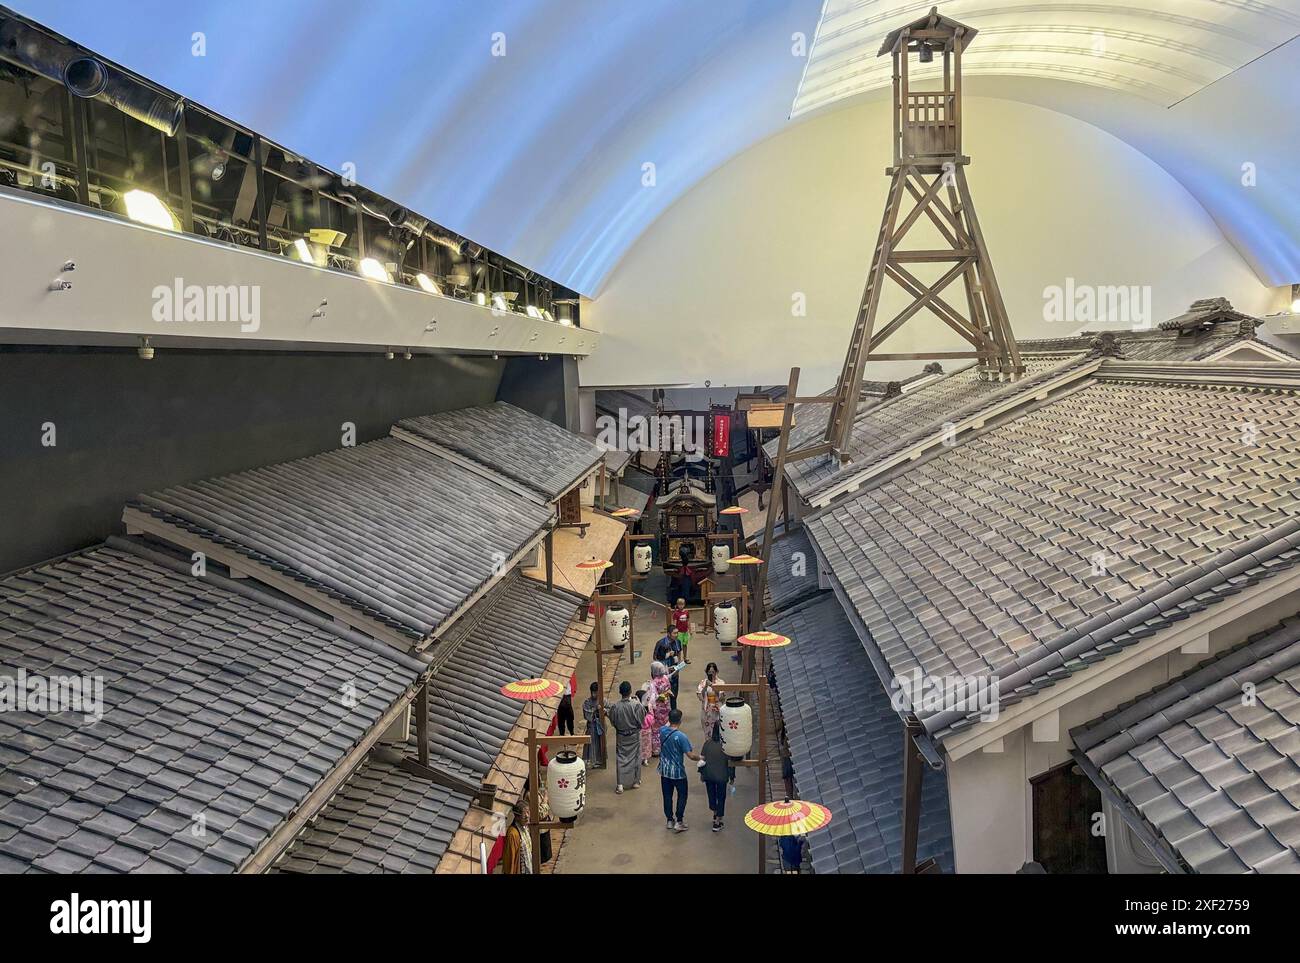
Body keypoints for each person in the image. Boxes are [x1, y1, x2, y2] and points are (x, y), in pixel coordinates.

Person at [658, 708, 699, 832]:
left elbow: (666, 725)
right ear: (680, 721)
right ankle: (679, 820)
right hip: (678, 772)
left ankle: (669, 820)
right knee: (682, 795)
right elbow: (691, 755)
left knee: (667, 795)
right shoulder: (681, 737)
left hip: (664, 771)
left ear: (669, 720)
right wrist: (701, 757)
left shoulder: (662, 731)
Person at [607, 681, 647, 794]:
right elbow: (642, 720)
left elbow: (613, 721)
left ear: (620, 692)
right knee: (636, 757)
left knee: (620, 758)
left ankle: (620, 784)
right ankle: (636, 781)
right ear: (630, 691)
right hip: (634, 736)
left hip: (621, 735)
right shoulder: (636, 705)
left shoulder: (615, 707)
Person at [699, 721, 734, 832]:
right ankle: (718, 821)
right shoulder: (726, 746)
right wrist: (732, 776)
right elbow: (730, 763)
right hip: (721, 776)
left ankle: (715, 813)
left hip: (709, 775)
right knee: (721, 797)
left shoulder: (707, 743)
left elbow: (702, 759)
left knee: (712, 795)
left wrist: (701, 773)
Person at [653, 632, 682, 711]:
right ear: (669, 634)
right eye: (674, 633)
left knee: (674, 695)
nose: (676, 635)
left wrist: (678, 667)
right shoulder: (660, 643)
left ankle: (673, 713)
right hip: (662, 675)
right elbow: (655, 658)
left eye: (677, 633)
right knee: (662, 696)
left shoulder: (678, 642)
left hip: (674, 673)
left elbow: (679, 653)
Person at [696, 662, 725, 736]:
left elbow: (721, 698)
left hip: (717, 710)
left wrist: (714, 687)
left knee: (719, 733)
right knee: (707, 734)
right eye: (709, 672)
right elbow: (700, 697)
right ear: (706, 672)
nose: (711, 674)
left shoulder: (721, 682)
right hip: (706, 711)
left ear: (716, 672)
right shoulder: (703, 683)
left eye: (713, 672)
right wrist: (706, 687)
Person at [649, 661, 672, 754]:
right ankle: (667, 744)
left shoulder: (653, 683)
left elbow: (653, 698)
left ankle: (657, 749)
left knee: (656, 728)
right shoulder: (666, 678)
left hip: (658, 708)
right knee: (666, 725)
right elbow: (669, 688)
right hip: (666, 705)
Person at [582, 682, 606, 769]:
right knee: (591, 744)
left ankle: (600, 760)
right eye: (593, 692)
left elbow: (609, 708)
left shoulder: (602, 700)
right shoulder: (587, 702)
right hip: (592, 726)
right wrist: (595, 709)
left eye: (596, 692)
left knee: (600, 743)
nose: (594, 694)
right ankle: (590, 760)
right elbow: (587, 714)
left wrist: (604, 711)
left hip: (600, 725)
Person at [636, 689, 654, 766]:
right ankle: (646, 759)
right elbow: (652, 716)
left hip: (639, 730)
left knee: (639, 745)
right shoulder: (649, 705)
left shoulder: (636, 707)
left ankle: (639, 758)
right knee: (647, 745)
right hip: (647, 730)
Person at [671, 597, 692, 664]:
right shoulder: (676, 613)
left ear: (684, 604)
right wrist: (674, 632)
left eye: (682, 604)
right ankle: (679, 660)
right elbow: (674, 623)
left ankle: (685, 658)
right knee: (678, 647)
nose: (681, 606)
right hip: (679, 632)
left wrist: (690, 630)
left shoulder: (686, 612)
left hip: (685, 631)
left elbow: (688, 621)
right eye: (679, 604)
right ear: (677, 605)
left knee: (685, 645)